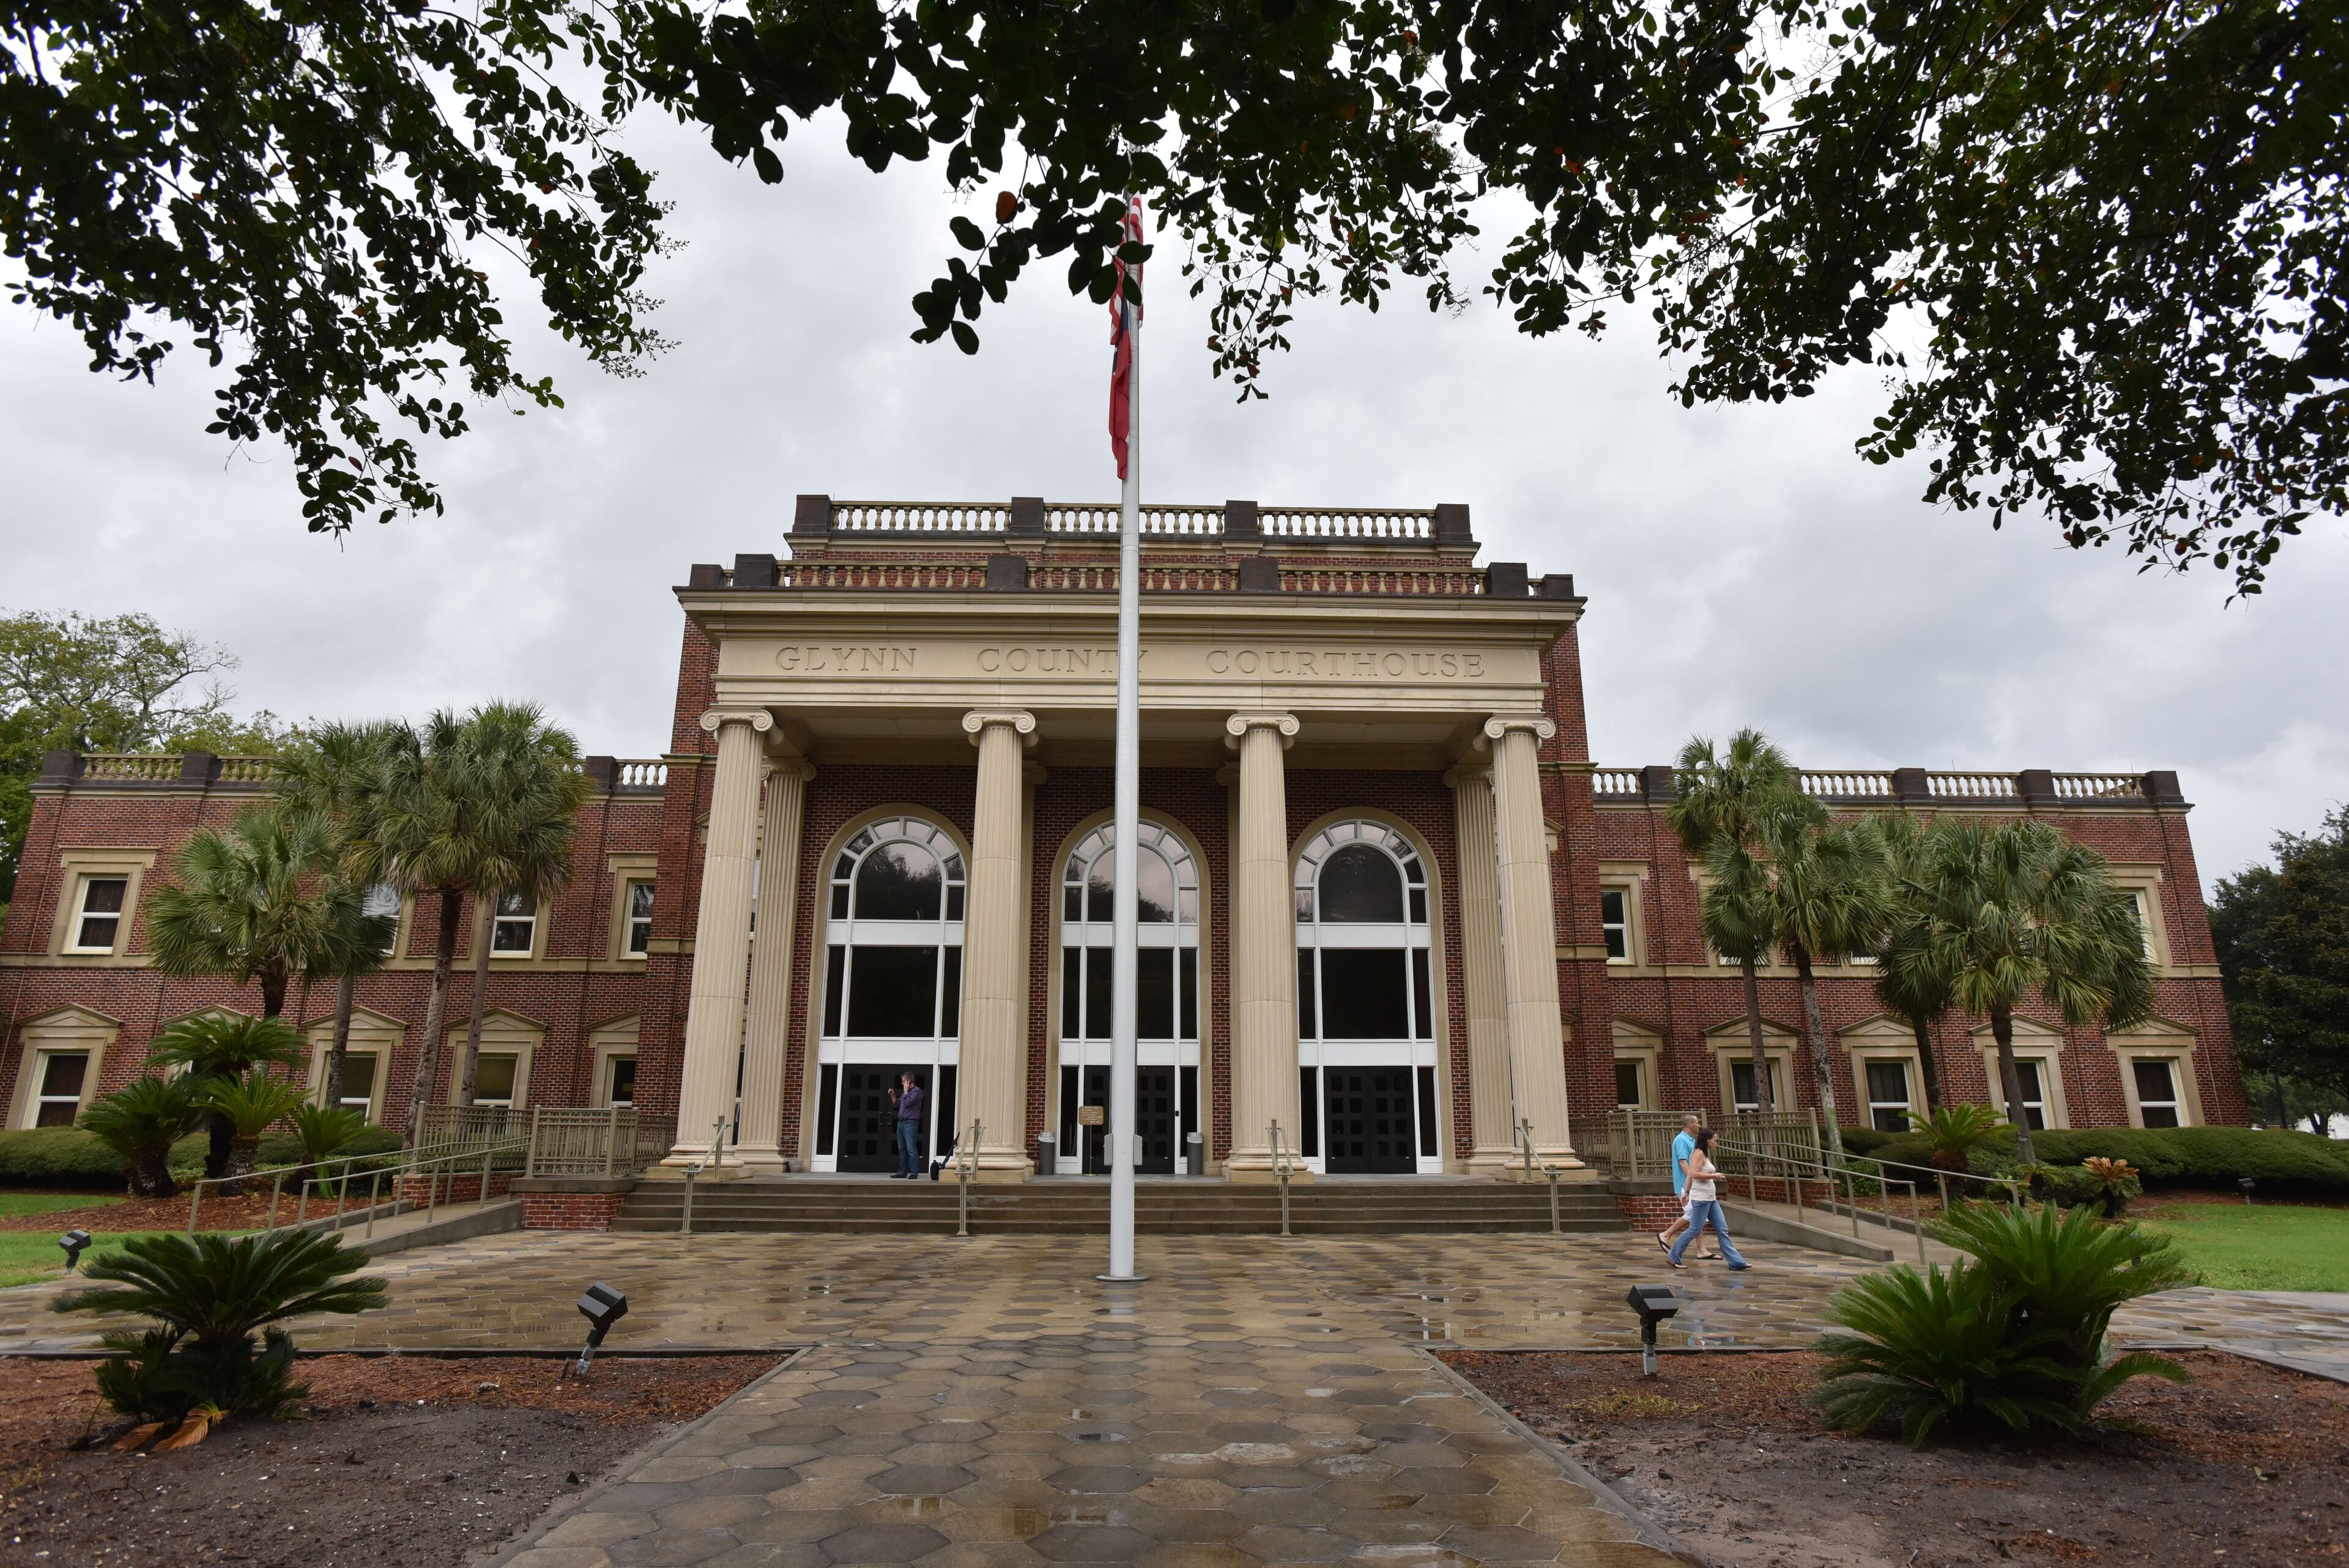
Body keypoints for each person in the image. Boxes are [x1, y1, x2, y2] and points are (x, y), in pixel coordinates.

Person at [1668, 1128, 1751, 1270]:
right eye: (1715, 1140)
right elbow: (1693, 1173)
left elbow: (1690, 1176)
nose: (1716, 1143)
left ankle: (1736, 1262)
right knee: (1694, 1230)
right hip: (1701, 1199)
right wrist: (1714, 1176)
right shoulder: (1698, 1153)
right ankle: (1674, 1256)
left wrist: (1686, 1193)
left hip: (1711, 1199)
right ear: (1707, 1140)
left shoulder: (1705, 1155)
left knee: (1722, 1230)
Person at [1657, 1113, 1720, 1260]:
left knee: (1697, 1217)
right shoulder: (1681, 1140)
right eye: (1697, 1123)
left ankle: (1701, 1250)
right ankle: (1665, 1234)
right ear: (1691, 1125)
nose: (1699, 1125)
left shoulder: (1692, 1140)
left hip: (1693, 1185)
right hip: (1684, 1184)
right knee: (1694, 1215)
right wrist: (1692, 1178)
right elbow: (1683, 1162)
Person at [892, 1072, 925, 1179]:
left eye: (903, 1081)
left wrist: (906, 1092)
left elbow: (909, 1103)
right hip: (901, 1123)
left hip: (910, 1123)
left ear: (909, 1081)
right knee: (902, 1149)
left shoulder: (917, 1092)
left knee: (911, 1149)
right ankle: (902, 1172)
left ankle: (914, 1172)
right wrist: (893, 1095)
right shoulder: (904, 1094)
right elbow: (897, 1104)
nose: (902, 1083)